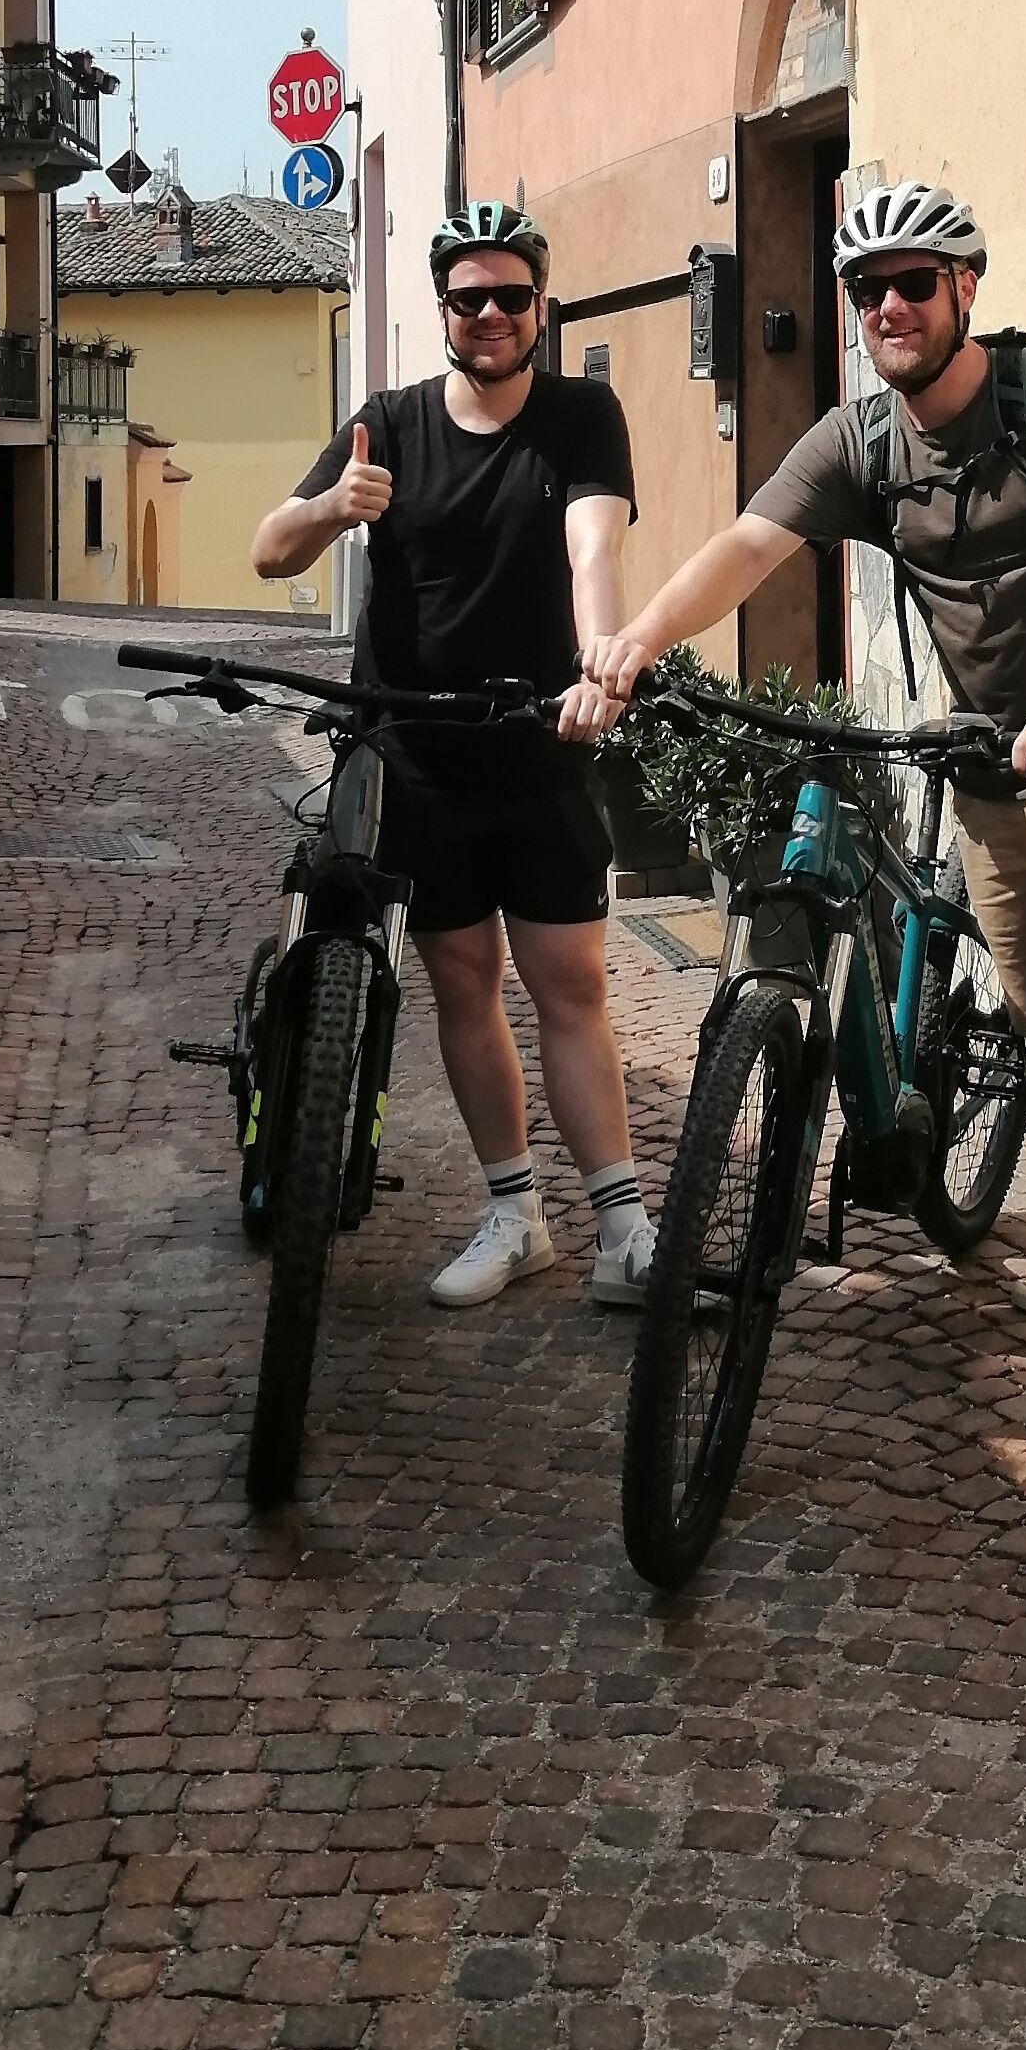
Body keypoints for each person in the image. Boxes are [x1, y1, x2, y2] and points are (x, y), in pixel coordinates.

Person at [577, 182, 1026, 1423]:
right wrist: (637, 638)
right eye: (869, 291)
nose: (890, 306)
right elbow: (748, 548)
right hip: (985, 776)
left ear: (966, 288)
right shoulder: (862, 442)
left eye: (916, 281)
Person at [249, 201, 656, 1310]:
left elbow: (592, 547)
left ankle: (624, 1229)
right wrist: (335, 505)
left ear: (540, 309)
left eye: (509, 297)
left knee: (570, 982)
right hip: (417, 752)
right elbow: (266, 550)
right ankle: (514, 1213)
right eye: (468, 298)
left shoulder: (581, 415)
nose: (488, 315)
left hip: (538, 739)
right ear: (442, 312)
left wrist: (601, 662)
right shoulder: (387, 421)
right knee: (463, 981)